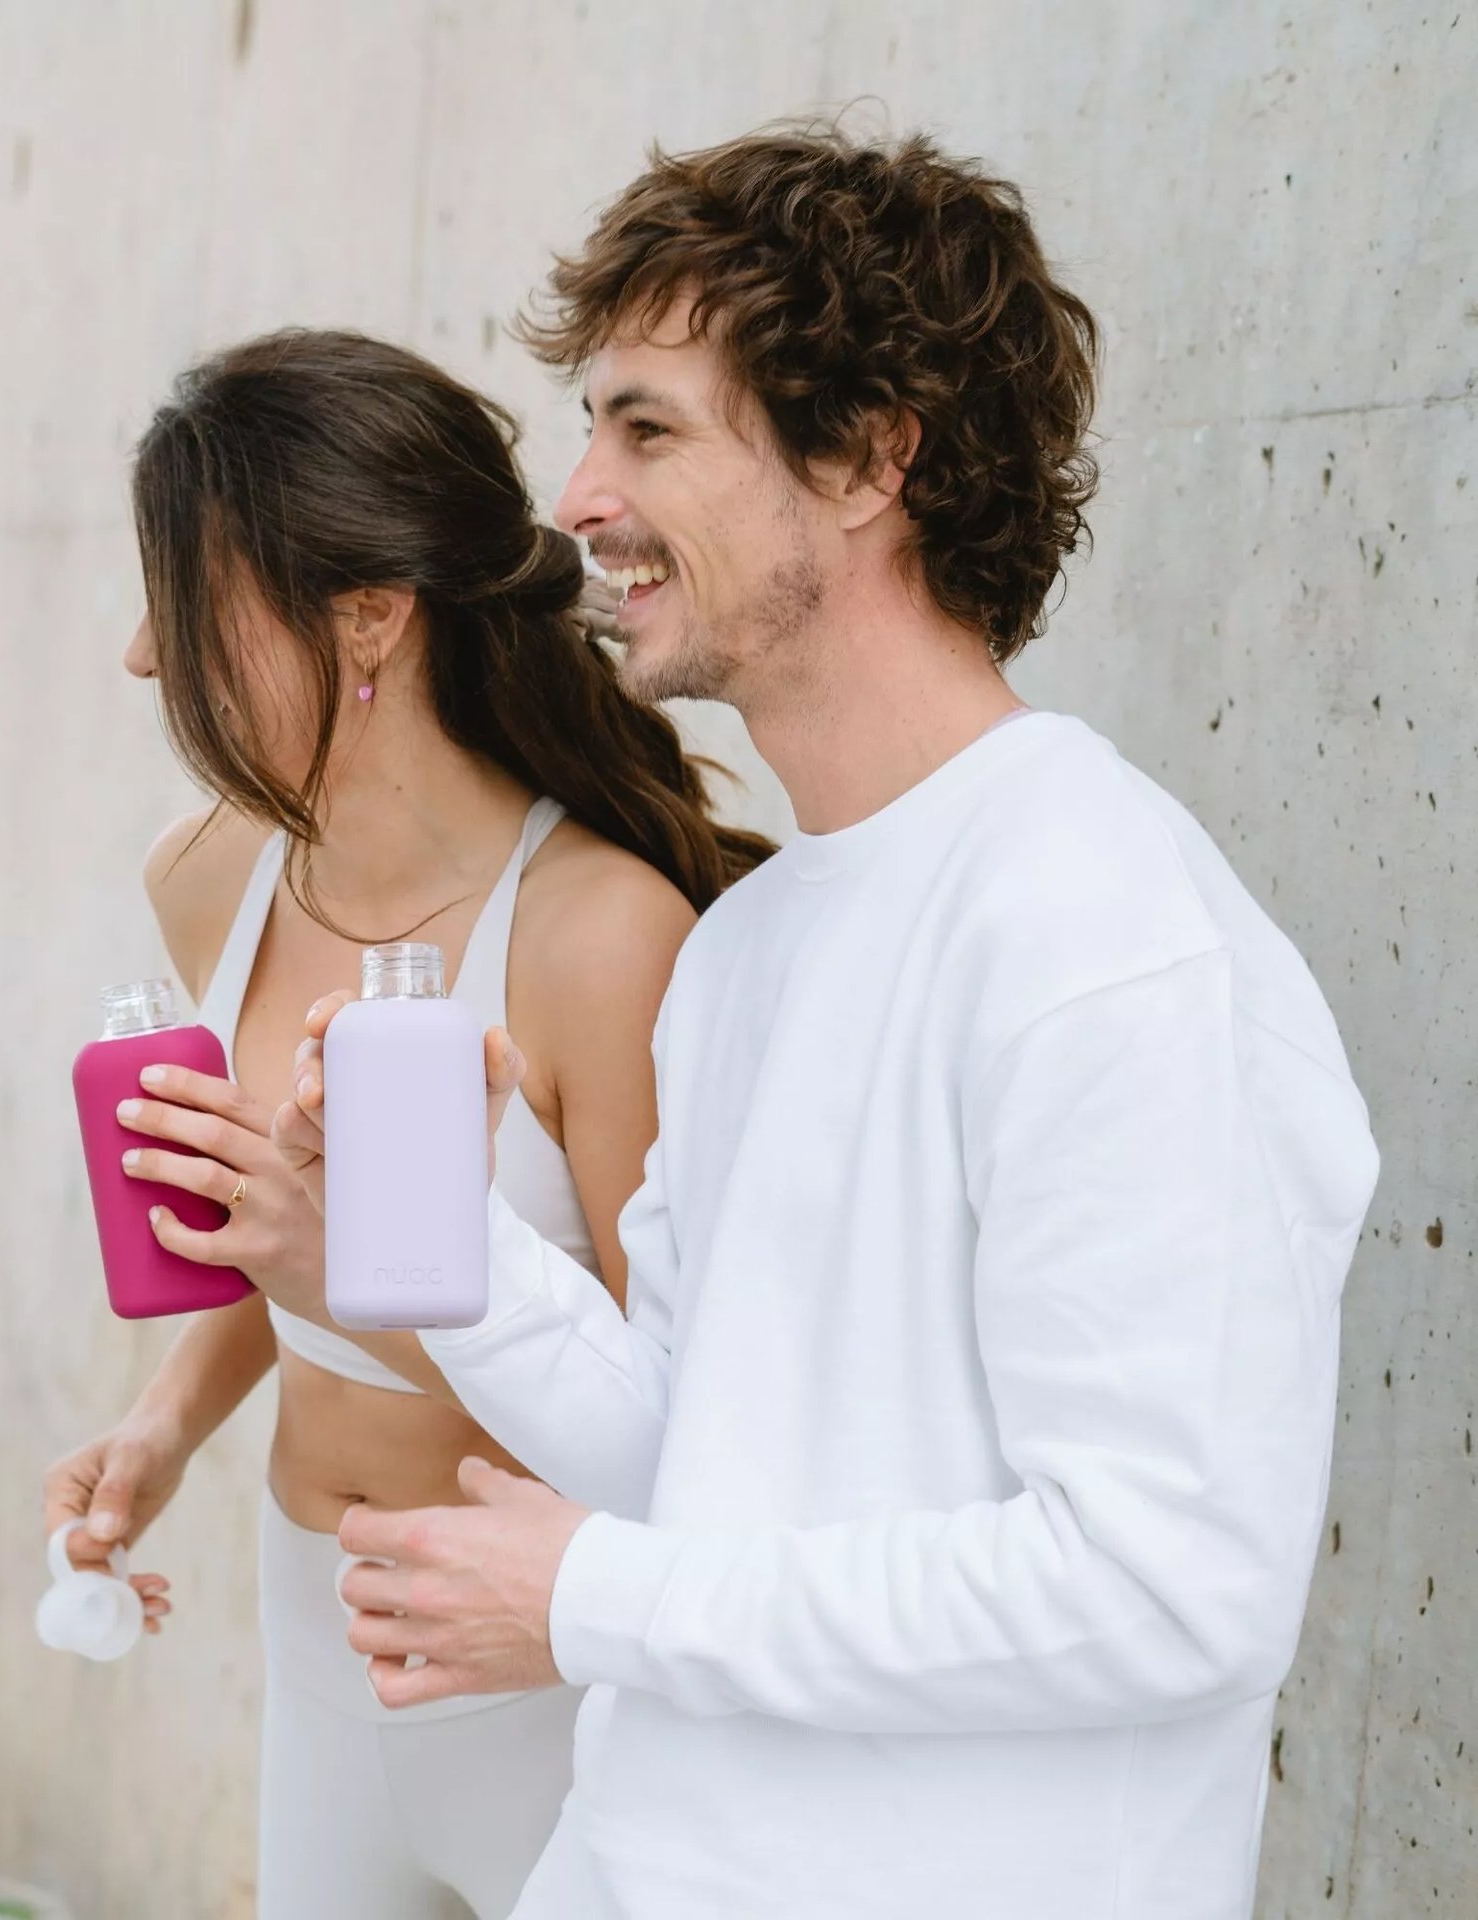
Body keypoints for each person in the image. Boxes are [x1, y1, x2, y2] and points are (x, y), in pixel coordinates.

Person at [263, 127, 1382, 1918]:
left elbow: (1171, 1586)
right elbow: (700, 1455)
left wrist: (592, 1603)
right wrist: (433, 1241)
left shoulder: (1102, 930)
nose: (577, 499)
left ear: (868, 456)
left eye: (647, 427)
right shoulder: (756, 940)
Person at [41, 327, 770, 1919]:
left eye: (181, 600)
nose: (141, 658)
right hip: (314, 1631)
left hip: (540, 1681)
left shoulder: (601, 938)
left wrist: (326, 1265)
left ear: (369, 614)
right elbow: (274, 1243)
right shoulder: (209, 879)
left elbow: (681, 1420)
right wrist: (167, 1425)